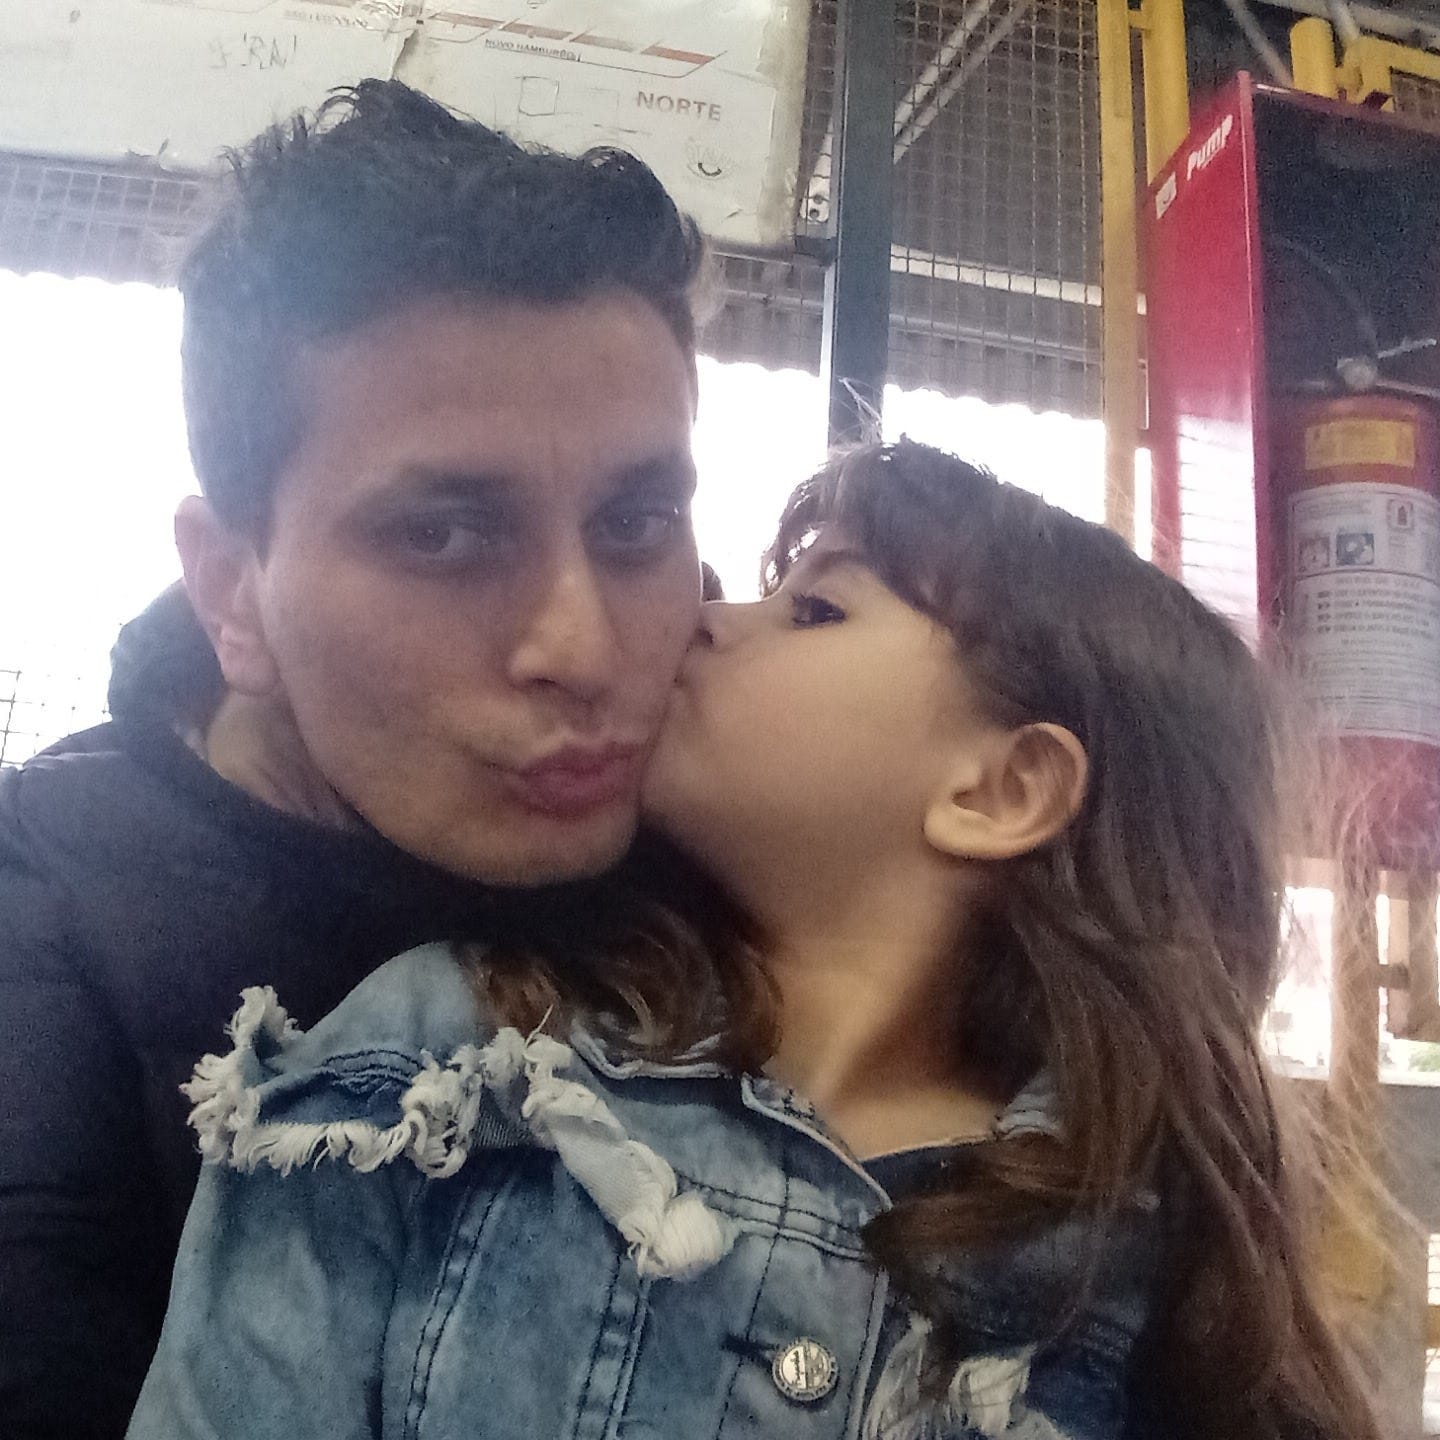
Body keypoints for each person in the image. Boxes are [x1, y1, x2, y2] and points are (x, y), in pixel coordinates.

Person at [129, 441, 1380, 1440]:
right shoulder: (453, 1055)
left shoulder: (1144, 1263)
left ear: (1001, 790)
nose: (709, 617)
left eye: (817, 608)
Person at [0, 80, 710, 1440]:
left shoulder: (724, 857)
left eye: (636, 521)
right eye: (443, 535)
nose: (582, 645)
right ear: (231, 586)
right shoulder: (44, 917)